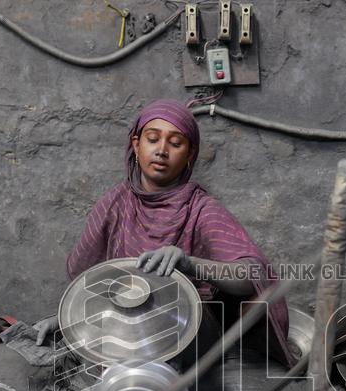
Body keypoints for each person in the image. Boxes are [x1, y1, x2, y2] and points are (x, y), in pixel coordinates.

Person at [34, 98, 293, 367]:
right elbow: (92, 284)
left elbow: (251, 276)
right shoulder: (114, 204)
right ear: (136, 145)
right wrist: (65, 320)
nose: (161, 150)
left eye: (176, 143)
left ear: (190, 154)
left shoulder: (202, 210)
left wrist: (189, 264)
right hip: (120, 328)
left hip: (188, 335)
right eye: (153, 139)